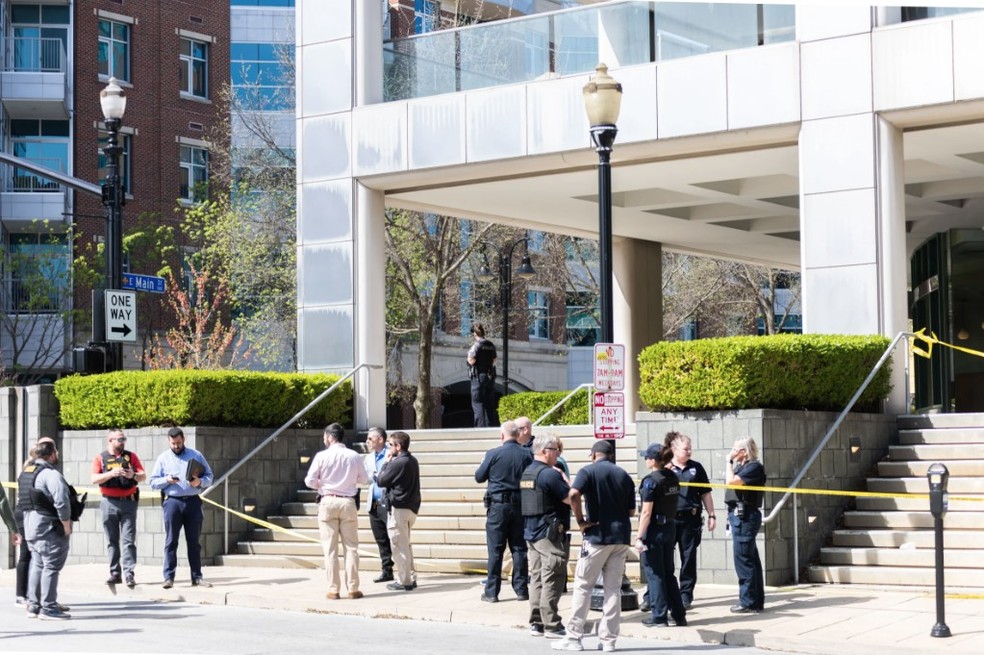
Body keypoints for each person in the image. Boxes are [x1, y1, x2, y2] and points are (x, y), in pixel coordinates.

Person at [552, 440, 636, 653]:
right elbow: (631, 512)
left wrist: (580, 521)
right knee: (613, 590)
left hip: (597, 536)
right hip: (621, 537)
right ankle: (608, 641)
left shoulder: (587, 471)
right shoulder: (624, 475)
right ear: (610, 455)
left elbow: (573, 494)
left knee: (583, 586)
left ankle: (574, 636)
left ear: (593, 455)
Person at [304, 423, 369, 600]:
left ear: (331, 437)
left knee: (330, 549)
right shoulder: (354, 456)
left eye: (325, 436)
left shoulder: (321, 456)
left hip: (327, 500)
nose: (324, 439)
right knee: (351, 547)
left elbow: (309, 480)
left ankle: (333, 589)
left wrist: (321, 485)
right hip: (347, 501)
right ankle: (353, 587)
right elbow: (364, 479)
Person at [474, 419, 532, 602]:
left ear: (502, 436)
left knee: (496, 550)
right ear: (517, 435)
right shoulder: (527, 454)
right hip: (520, 506)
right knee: (519, 549)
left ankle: (491, 592)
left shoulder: (493, 453)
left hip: (498, 507)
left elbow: (479, 477)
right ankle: (522, 590)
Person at [149, 426, 214, 589]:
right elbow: (153, 482)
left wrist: (200, 482)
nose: (176, 446)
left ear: (184, 439)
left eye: (178, 442)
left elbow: (209, 476)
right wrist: (167, 480)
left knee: (194, 541)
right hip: (172, 502)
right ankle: (169, 577)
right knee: (171, 541)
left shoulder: (196, 455)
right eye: (173, 443)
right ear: (168, 441)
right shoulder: (163, 458)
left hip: (192, 501)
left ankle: (197, 577)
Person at [521, 434, 571, 639]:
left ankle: (537, 622)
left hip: (532, 531)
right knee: (554, 575)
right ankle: (552, 624)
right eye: (554, 450)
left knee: (538, 578)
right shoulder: (550, 474)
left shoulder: (528, 472)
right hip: (548, 533)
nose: (557, 453)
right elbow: (571, 497)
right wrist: (566, 480)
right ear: (544, 451)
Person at [19, 437, 72, 620]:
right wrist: (66, 525)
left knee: (37, 565)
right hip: (48, 528)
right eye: (56, 452)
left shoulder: (26, 472)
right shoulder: (51, 474)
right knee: (51, 566)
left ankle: (33, 606)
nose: (57, 455)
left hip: (30, 527)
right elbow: (61, 502)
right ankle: (48, 608)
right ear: (51, 454)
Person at [636, 443, 687, 629]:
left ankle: (659, 617)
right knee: (668, 572)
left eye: (646, 457)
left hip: (655, 530)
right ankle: (679, 615)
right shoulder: (672, 477)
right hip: (669, 528)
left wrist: (639, 536)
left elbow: (646, 513)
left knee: (655, 574)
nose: (645, 460)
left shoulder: (651, 481)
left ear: (653, 460)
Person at [664, 431, 715, 609]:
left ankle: (686, 595)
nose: (689, 452)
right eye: (686, 449)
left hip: (690, 519)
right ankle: (661, 594)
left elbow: (706, 493)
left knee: (688, 558)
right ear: (674, 449)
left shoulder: (697, 468)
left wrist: (712, 515)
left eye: (690, 448)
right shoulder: (666, 468)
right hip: (669, 520)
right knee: (665, 558)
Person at [91, 428, 146, 588]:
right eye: (119, 440)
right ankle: (115, 573)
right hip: (109, 502)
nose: (122, 442)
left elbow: (143, 475)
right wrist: (111, 474)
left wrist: (133, 475)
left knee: (128, 540)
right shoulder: (100, 458)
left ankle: (129, 574)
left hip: (129, 502)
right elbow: (94, 478)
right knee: (112, 540)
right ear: (110, 440)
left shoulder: (131, 456)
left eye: (123, 439)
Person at [725, 436, 766, 614]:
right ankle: (755, 600)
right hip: (740, 516)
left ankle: (748, 601)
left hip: (745, 517)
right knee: (749, 558)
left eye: (735, 449)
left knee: (743, 559)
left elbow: (731, 481)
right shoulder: (744, 466)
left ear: (743, 451)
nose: (732, 452)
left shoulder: (753, 467)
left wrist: (728, 462)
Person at [375, 430, 421, 592]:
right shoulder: (412, 460)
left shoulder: (397, 463)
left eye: (390, 445)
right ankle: (411, 577)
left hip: (399, 509)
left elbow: (380, 480)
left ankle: (404, 581)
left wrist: (386, 462)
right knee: (406, 544)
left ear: (398, 446)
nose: (389, 448)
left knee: (399, 545)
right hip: (411, 508)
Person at [363, 426, 394, 583]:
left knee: (394, 538)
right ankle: (386, 569)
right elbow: (366, 478)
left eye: (370, 439)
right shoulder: (368, 458)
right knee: (381, 539)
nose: (367, 441)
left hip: (388, 503)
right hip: (374, 504)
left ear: (380, 439)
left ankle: (405, 572)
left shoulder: (392, 453)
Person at [467, 323, 498, 427]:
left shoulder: (476, 345)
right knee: (489, 403)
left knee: (478, 403)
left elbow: (471, 360)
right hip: (490, 376)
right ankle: (490, 427)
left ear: (475, 334)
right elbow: (494, 361)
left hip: (479, 377)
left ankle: (479, 428)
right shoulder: (491, 345)